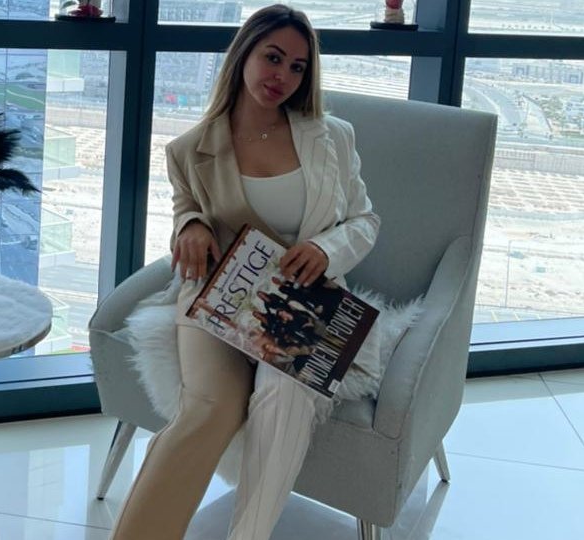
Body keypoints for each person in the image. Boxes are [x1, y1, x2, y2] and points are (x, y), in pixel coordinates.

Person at [109, 4, 379, 540]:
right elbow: (185, 205)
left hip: (306, 303)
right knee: (210, 409)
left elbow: (365, 220)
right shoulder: (190, 149)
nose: (282, 76)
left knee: (287, 390)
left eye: (297, 67)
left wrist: (326, 249)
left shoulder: (333, 137)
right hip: (221, 295)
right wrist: (190, 226)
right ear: (243, 55)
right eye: (272, 57)